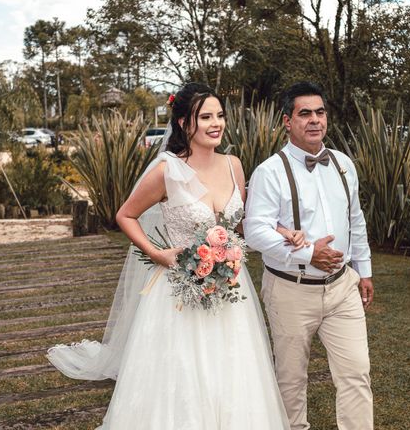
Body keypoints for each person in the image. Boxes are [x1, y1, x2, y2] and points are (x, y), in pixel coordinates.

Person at [47, 82, 291, 429]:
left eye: (219, 115)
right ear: (183, 123)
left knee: (235, 366)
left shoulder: (234, 165)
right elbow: (125, 215)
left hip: (232, 290)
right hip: (177, 291)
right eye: (205, 116)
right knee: (183, 370)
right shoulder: (167, 171)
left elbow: (247, 219)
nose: (215, 123)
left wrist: (280, 231)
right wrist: (157, 253)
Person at [244, 81, 374, 430]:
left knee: (356, 373)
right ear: (287, 121)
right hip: (290, 289)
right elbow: (255, 231)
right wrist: (306, 253)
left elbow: (355, 219)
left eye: (320, 112)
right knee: (291, 381)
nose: (314, 120)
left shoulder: (344, 164)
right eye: (305, 114)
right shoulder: (269, 172)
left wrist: (364, 271)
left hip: (342, 288)